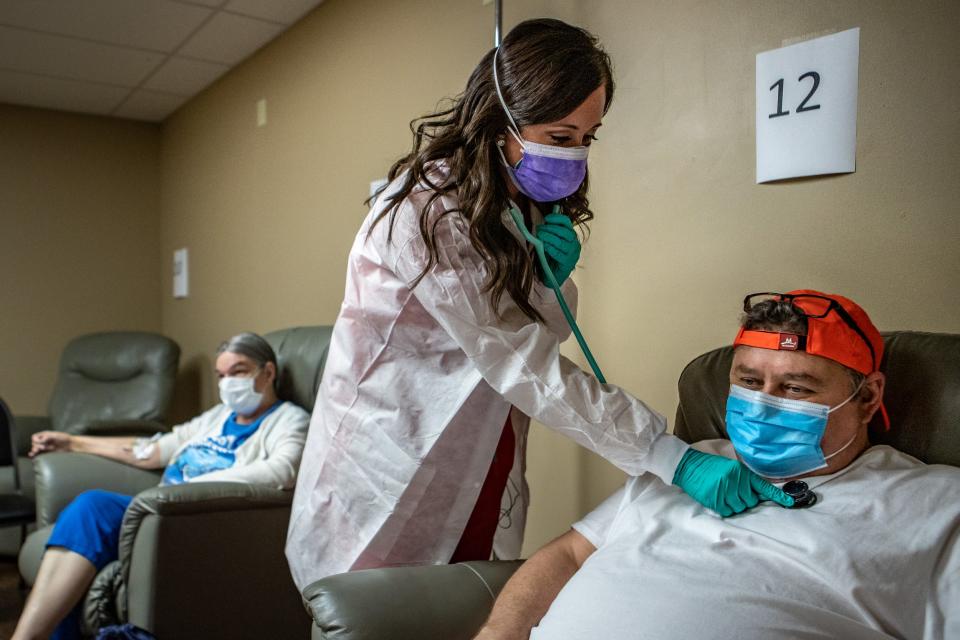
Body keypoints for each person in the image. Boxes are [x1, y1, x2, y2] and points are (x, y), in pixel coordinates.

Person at [285, 18, 791, 591]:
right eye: (559, 135)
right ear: (499, 123)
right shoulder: (428, 214)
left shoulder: (513, 204)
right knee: (375, 610)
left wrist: (548, 283)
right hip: (393, 451)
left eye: (587, 137)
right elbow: (518, 358)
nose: (575, 156)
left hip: (481, 438)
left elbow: (529, 337)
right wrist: (668, 456)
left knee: (468, 605)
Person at [475, 290, 960, 640]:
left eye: (796, 389)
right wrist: (499, 632)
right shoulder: (688, 462)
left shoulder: (935, 504)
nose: (762, 404)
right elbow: (570, 554)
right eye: (748, 381)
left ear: (869, 396)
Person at [12, 332, 310, 640]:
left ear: (268, 372)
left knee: (92, 506)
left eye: (239, 371)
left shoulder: (290, 420)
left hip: (193, 518)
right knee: (83, 527)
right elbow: (152, 450)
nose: (228, 383)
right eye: (221, 375)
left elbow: (282, 471)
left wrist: (189, 488)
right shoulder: (219, 417)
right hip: (157, 511)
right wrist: (73, 442)